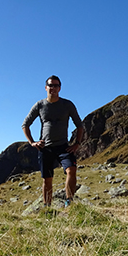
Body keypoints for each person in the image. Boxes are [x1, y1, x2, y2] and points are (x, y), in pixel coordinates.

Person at [22, 75, 84, 207]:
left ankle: (69, 202)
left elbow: (80, 126)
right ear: (46, 88)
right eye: (50, 85)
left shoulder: (67, 105)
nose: (53, 88)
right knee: (47, 179)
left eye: (56, 86)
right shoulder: (39, 105)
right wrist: (32, 142)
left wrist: (77, 144)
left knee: (71, 170)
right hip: (46, 148)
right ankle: (47, 207)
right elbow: (25, 125)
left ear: (60, 88)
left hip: (63, 147)